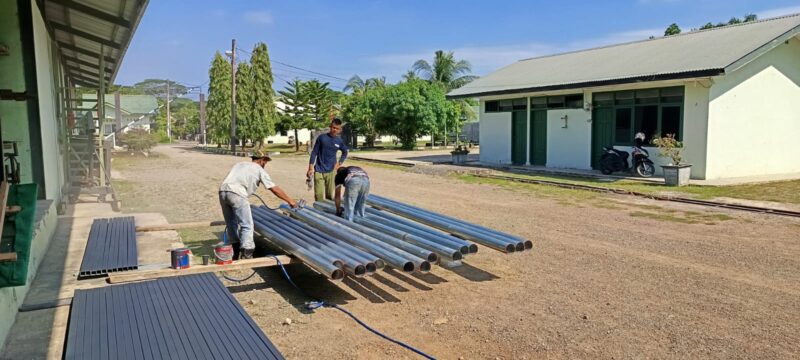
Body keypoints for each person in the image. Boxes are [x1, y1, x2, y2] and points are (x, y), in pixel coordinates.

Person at [219, 150, 297, 260]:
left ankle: (235, 251)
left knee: (231, 223)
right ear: (261, 160)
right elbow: (273, 188)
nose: (265, 164)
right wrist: (290, 200)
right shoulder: (259, 169)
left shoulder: (239, 164)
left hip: (223, 191)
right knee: (247, 224)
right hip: (238, 193)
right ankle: (247, 252)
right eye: (265, 161)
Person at [307, 118, 348, 201]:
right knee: (318, 195)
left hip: (331, 171)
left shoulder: (339, 141)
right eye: (333, 127)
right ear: (330, 127)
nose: (334, 130)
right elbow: (314, 152)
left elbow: (345, 152)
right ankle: (319, 212)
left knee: (330, 195)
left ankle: (328, 213)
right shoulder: (322, 138)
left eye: (337, 128)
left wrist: (339, 163)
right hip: (319, 170)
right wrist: (310, 167)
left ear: (340, 129)